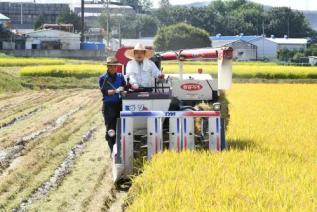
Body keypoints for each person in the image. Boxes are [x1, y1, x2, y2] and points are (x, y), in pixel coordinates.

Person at [99, 56, 126, 154]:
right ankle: (112, 151)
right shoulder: (103, 78)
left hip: (119, 105)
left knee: (120, 127)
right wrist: (116, 90)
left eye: (114, 66)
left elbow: (124, 86)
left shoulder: (120, 76)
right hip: (108, 106)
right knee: (111, 130)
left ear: (117, 67)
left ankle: (120, 149)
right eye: (110, 66)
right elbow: (105, 92)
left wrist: (123, 88)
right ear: (107, 66)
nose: (112, 68)